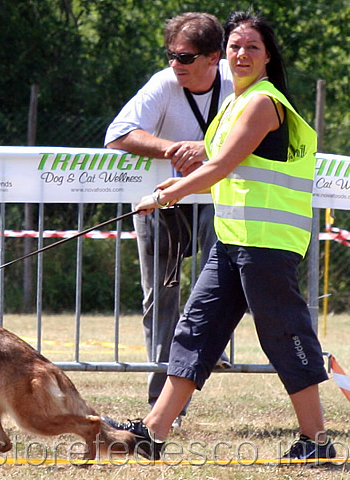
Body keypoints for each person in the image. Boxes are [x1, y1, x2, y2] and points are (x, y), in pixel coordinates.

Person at [118, 10, 336, 463]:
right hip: (232, 241)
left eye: (251, 47)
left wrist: (163, 196)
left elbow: (219, 167)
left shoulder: (263, 102)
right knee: (195, 330)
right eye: (235, 46)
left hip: (267, 245)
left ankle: (317, 441)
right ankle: (153, 434)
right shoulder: (235, 103)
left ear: (267, 56)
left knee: (284, 335)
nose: (241, 54)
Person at [104, 12, 233, 427]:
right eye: (171, 54)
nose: (175, 64)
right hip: (163, 205)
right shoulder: (164, 83)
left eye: (185, 57)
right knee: (159, 298)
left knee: (217, 295)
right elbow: (119, 134)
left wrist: (207, 149)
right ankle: (163, 401)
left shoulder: (238, 82)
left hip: (222, 202)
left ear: (213, 57)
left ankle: (205, 357)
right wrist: (174, 149)